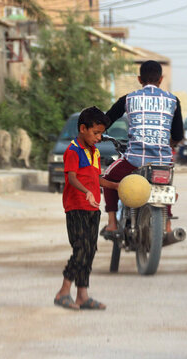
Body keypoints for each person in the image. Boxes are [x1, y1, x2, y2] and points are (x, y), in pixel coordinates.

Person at [102, 60, 184, 233]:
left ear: (140, 79)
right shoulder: (173, 100)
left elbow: (106, 120)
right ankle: (167, 225)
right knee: (164, 186)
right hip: (162, 161)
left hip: (134, 160)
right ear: (161, 79)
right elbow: (177, 135)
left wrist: (98, 133)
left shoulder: (128, 99)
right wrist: (169, 144)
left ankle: (112, 222)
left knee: (108, 178)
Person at [54, 107, 118, 311]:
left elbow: (97, 178)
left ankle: (83, 295)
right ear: (83, 128)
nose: (99, 137)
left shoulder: (94, 151)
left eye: (101, 133)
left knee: (89, 250)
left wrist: (116, 186)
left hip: (92, 208)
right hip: (76, 208)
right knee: (81, 249)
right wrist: (86, 192)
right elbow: (72, 178)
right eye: (95, 133)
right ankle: (63, 291)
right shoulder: (72, 150)